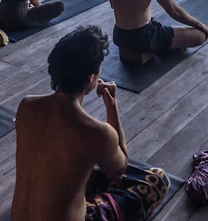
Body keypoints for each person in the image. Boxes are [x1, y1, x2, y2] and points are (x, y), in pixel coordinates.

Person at [12, 25, 169, 221]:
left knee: (80, 170)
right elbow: (119, 170)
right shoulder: (97, 133)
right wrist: (112, 107)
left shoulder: (26, 106)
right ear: (91, 78)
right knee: (157, 179)